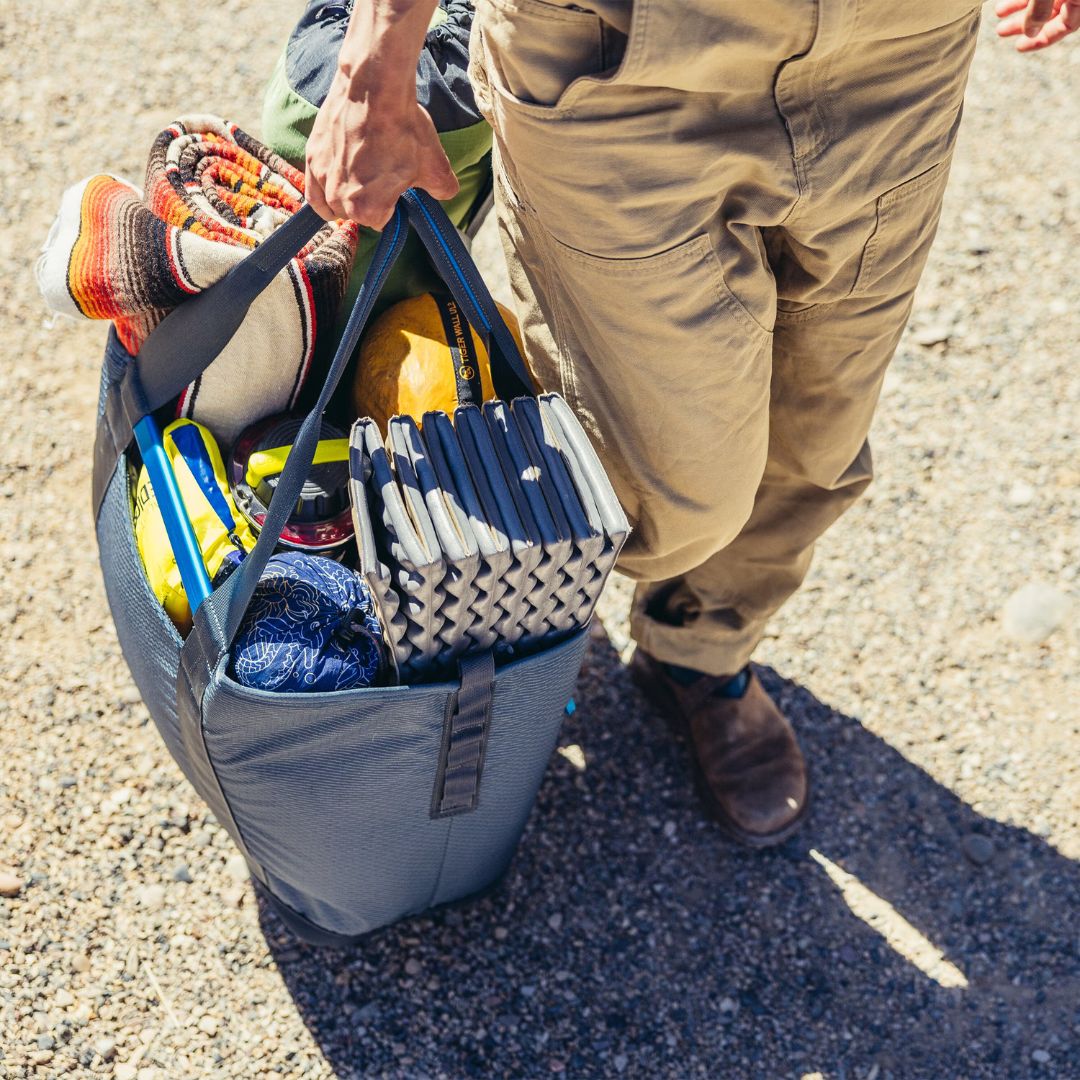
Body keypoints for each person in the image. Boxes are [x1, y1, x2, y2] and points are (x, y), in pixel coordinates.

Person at [304, 0, 1079, 846]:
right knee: (677, 489)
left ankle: (699, 651)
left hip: (905, 43)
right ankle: (513, 581)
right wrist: (374, 60)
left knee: (820, 425)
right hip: (630, 51)